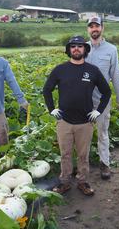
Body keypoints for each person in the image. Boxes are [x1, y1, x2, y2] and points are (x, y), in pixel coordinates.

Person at [43, 36, 111, 196]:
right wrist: (51, 109)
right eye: (73, 46)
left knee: (83, 155)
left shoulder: (92, 70)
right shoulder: (60, 69)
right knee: (65, 154)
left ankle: (82, 181)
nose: (76, 49)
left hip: (85, 123)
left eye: (80, 46)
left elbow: (106, 92)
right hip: (64, 121)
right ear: (69, 50)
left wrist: (98, 111)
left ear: (85, 50)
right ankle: (64, 182)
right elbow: (47, 89)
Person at [85, 16, 119, 180]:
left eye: (97, 26)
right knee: (84, 134)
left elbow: (115, 75)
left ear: (103, 28)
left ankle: (105, 164)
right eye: (91, 26)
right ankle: (83, 165)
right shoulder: (82, 47)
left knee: (102, 132)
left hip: (102, 99)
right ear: (88, 29)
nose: (94, 29)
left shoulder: (111, 49)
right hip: (83, 99)